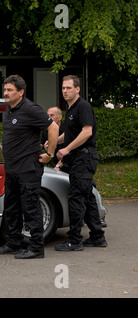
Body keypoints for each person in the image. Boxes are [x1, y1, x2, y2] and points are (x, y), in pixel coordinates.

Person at [0, 75, 59, 259]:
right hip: (12, 168)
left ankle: (37, 247)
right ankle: (13, 242)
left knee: (30, 208)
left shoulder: (30, 109)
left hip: (28, 168)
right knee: (11, 208)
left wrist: (50, 154)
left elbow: (53, 127)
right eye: (5, 89)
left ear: (20, 92)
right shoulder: (9, 109)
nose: (5, 93)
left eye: (9, 90)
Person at [54, 75, 107, 251]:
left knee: (76, 198)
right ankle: (98, 237)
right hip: (78, 159)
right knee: (88, 198)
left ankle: (74, 240)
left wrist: (66, 149)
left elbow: (86, 132)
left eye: (69, 88)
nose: (65, 91)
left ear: (77, 89)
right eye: (63, 88)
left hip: (84, 158)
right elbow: (70, 134)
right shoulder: (70, 109)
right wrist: (54, 142)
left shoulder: (83, 106)